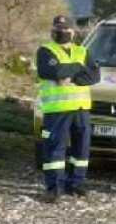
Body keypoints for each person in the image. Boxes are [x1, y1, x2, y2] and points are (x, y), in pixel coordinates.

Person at [36, 15, 100, 204]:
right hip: (57, 110)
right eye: (57, 28)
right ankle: (54, 189)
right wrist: (78, 69)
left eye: (64, 29)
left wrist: (68, 74)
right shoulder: (45, 51)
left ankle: (76, 184)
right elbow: (53, 72)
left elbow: (94, 76)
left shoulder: (83, 51)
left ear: (73, 31)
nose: (61, 32)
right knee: (54, 150)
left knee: (81, 149)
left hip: (81, 109)